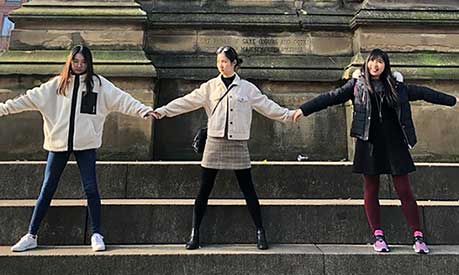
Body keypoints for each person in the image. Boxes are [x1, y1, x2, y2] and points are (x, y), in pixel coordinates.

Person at [293, 48, 457, 254]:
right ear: (366, 64)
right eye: (372, 61)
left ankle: (418, 236)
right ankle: (378, 235)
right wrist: (303, 109)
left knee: (404, 190)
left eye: (380, 61)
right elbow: (330, 97)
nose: (375, 65)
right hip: (369, 144)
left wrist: (453, 100)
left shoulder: (397, 87)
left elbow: (425, 93)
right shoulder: (356, 86)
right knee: (371, 189)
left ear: (385, 65)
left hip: (395, 145)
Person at [0, 45, 155, 252]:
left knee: (91, 188)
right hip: (58, 144)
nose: (79, 65)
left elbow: (122, 99)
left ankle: (97, 234)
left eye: (83, 62)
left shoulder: (99, 85)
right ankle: (31, 235)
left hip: (86, 144)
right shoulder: (57, 85)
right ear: (69, 62)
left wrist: (143, 111)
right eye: (75, 61)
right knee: (47, 188)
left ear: (89, 63)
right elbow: (28, 98)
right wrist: (3, 109)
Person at [151, 46, 294, 250]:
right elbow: (187, 102)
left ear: (234, 63)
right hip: (214, 142)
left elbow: (267, 106)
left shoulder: (247, 88)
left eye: (225, 61)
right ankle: (195, 232)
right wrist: (163, 111)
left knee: (248, 189)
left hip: (238, 143)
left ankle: (260, 231)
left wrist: (289, 115)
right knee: (204, 189)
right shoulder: (209, 87)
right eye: (218, 61)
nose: (221, 65)